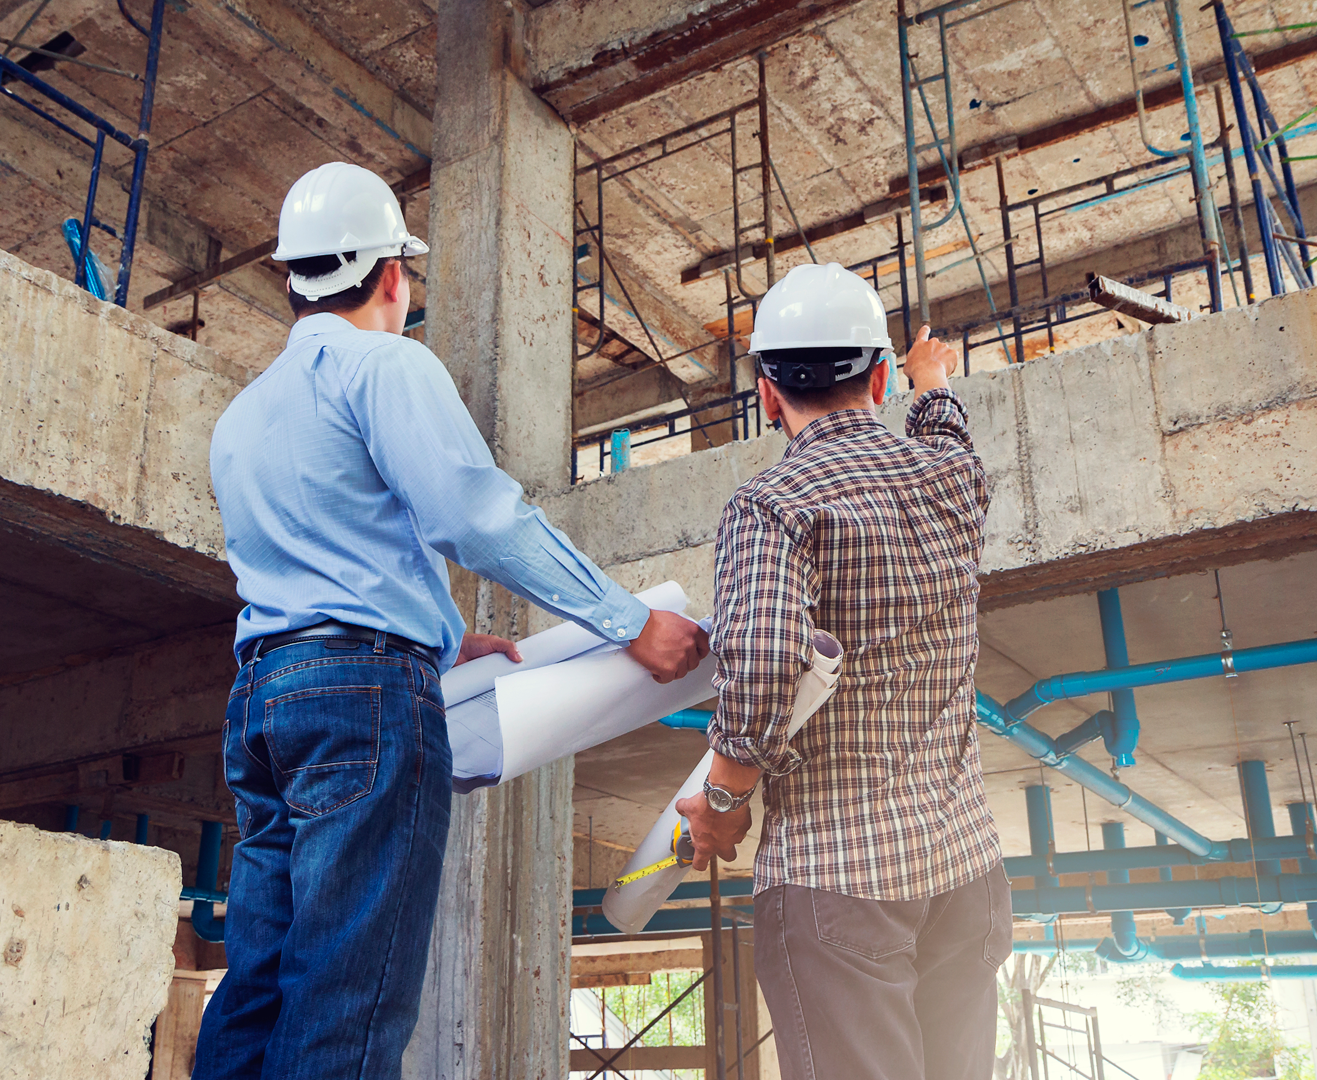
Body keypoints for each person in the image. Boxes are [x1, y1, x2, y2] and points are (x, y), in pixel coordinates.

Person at [193, 161, 709, 1080]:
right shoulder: (387, 364)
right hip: (363, 702)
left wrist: (439, 632)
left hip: (264, 701)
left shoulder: (240, 418)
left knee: (259, 986)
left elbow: (331, 547)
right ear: (392, 276)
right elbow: (477, 518)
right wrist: (630, 621)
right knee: (348, 996)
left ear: (290, 282)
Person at [676, 262, 1010, 1080]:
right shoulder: (953, 479)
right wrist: (933, 382)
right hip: (965, 873)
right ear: (882, 376)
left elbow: (759, 668)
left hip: (839, 882)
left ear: (765, 394)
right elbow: (946, 432)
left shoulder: (772, 505)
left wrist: (722, 803)